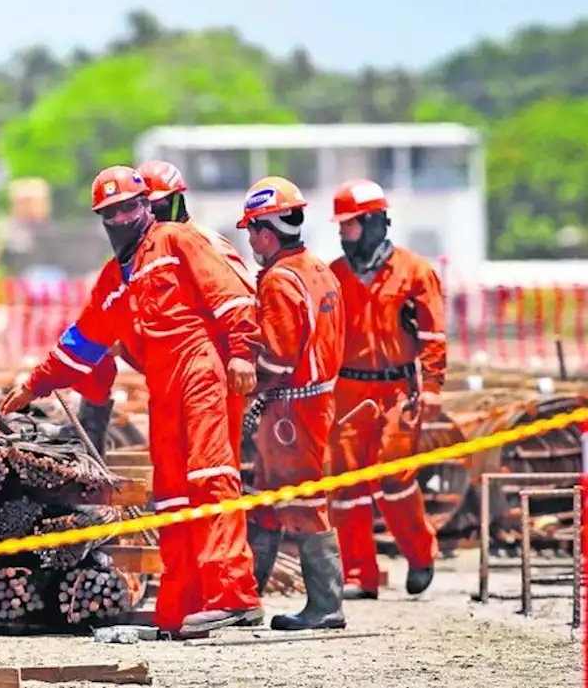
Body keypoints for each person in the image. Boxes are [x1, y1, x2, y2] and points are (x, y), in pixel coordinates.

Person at [0, 165, 263, 638]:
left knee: (211, 477)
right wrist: (36, 384)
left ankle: (232, 596)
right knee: (173, 495)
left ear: (147, 205)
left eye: (128, 208)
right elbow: (83, 340)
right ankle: (180, 608)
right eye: (110, 213)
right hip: (162, 385)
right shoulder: (115, 277)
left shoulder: (178, 241)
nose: (120, 219)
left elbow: (231, 299)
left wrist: (242, 353)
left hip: (201, 368)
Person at [71, 161, 256, 460]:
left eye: (157, 207)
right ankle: (88, 443)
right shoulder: (142, 256)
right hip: (166, 365)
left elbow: (241, 303)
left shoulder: (203, 243)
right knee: (96, 346)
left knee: (210, 467)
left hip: (213, 366)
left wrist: (241, 357)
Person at [234, 176, 347, 631]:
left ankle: (326, 605)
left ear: (265, 230)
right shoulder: (318, 268)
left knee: (302, 501)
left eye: (251, 232)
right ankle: (246, 597)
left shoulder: (279, 280)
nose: (250, 241)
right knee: (265, 498)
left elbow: (279, 359)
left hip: (291, 410)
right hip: (309, 403)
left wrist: (243, 382)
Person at [327, 179, 444, 599]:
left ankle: (420, 552)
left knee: (396, 476)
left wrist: (432, 387)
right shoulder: (334, 276)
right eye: (341, 226)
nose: (343, 233)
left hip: (398, 390)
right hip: (347, 391)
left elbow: (433, 336)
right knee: (346, 485)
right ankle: (360, 575)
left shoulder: (415, 272)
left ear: (374, 222)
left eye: (350, 225)